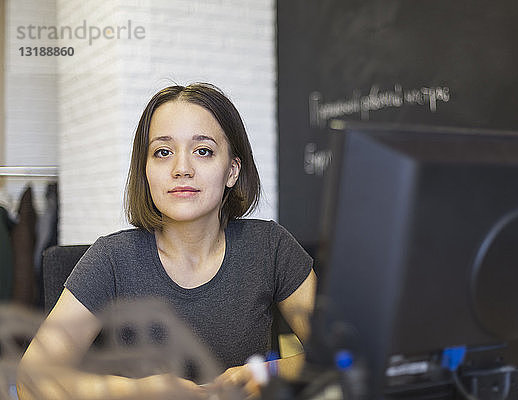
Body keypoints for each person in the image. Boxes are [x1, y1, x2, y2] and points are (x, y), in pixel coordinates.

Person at [17, 83, 317, 399]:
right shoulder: (111, 258)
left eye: (203, 151)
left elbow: (349, 352)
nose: (181, 169)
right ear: (145, 171)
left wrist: (268, 373)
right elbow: (30, 380)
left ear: (232, 170)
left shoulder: (269, 247)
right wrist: (138, 392)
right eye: (163, 152)